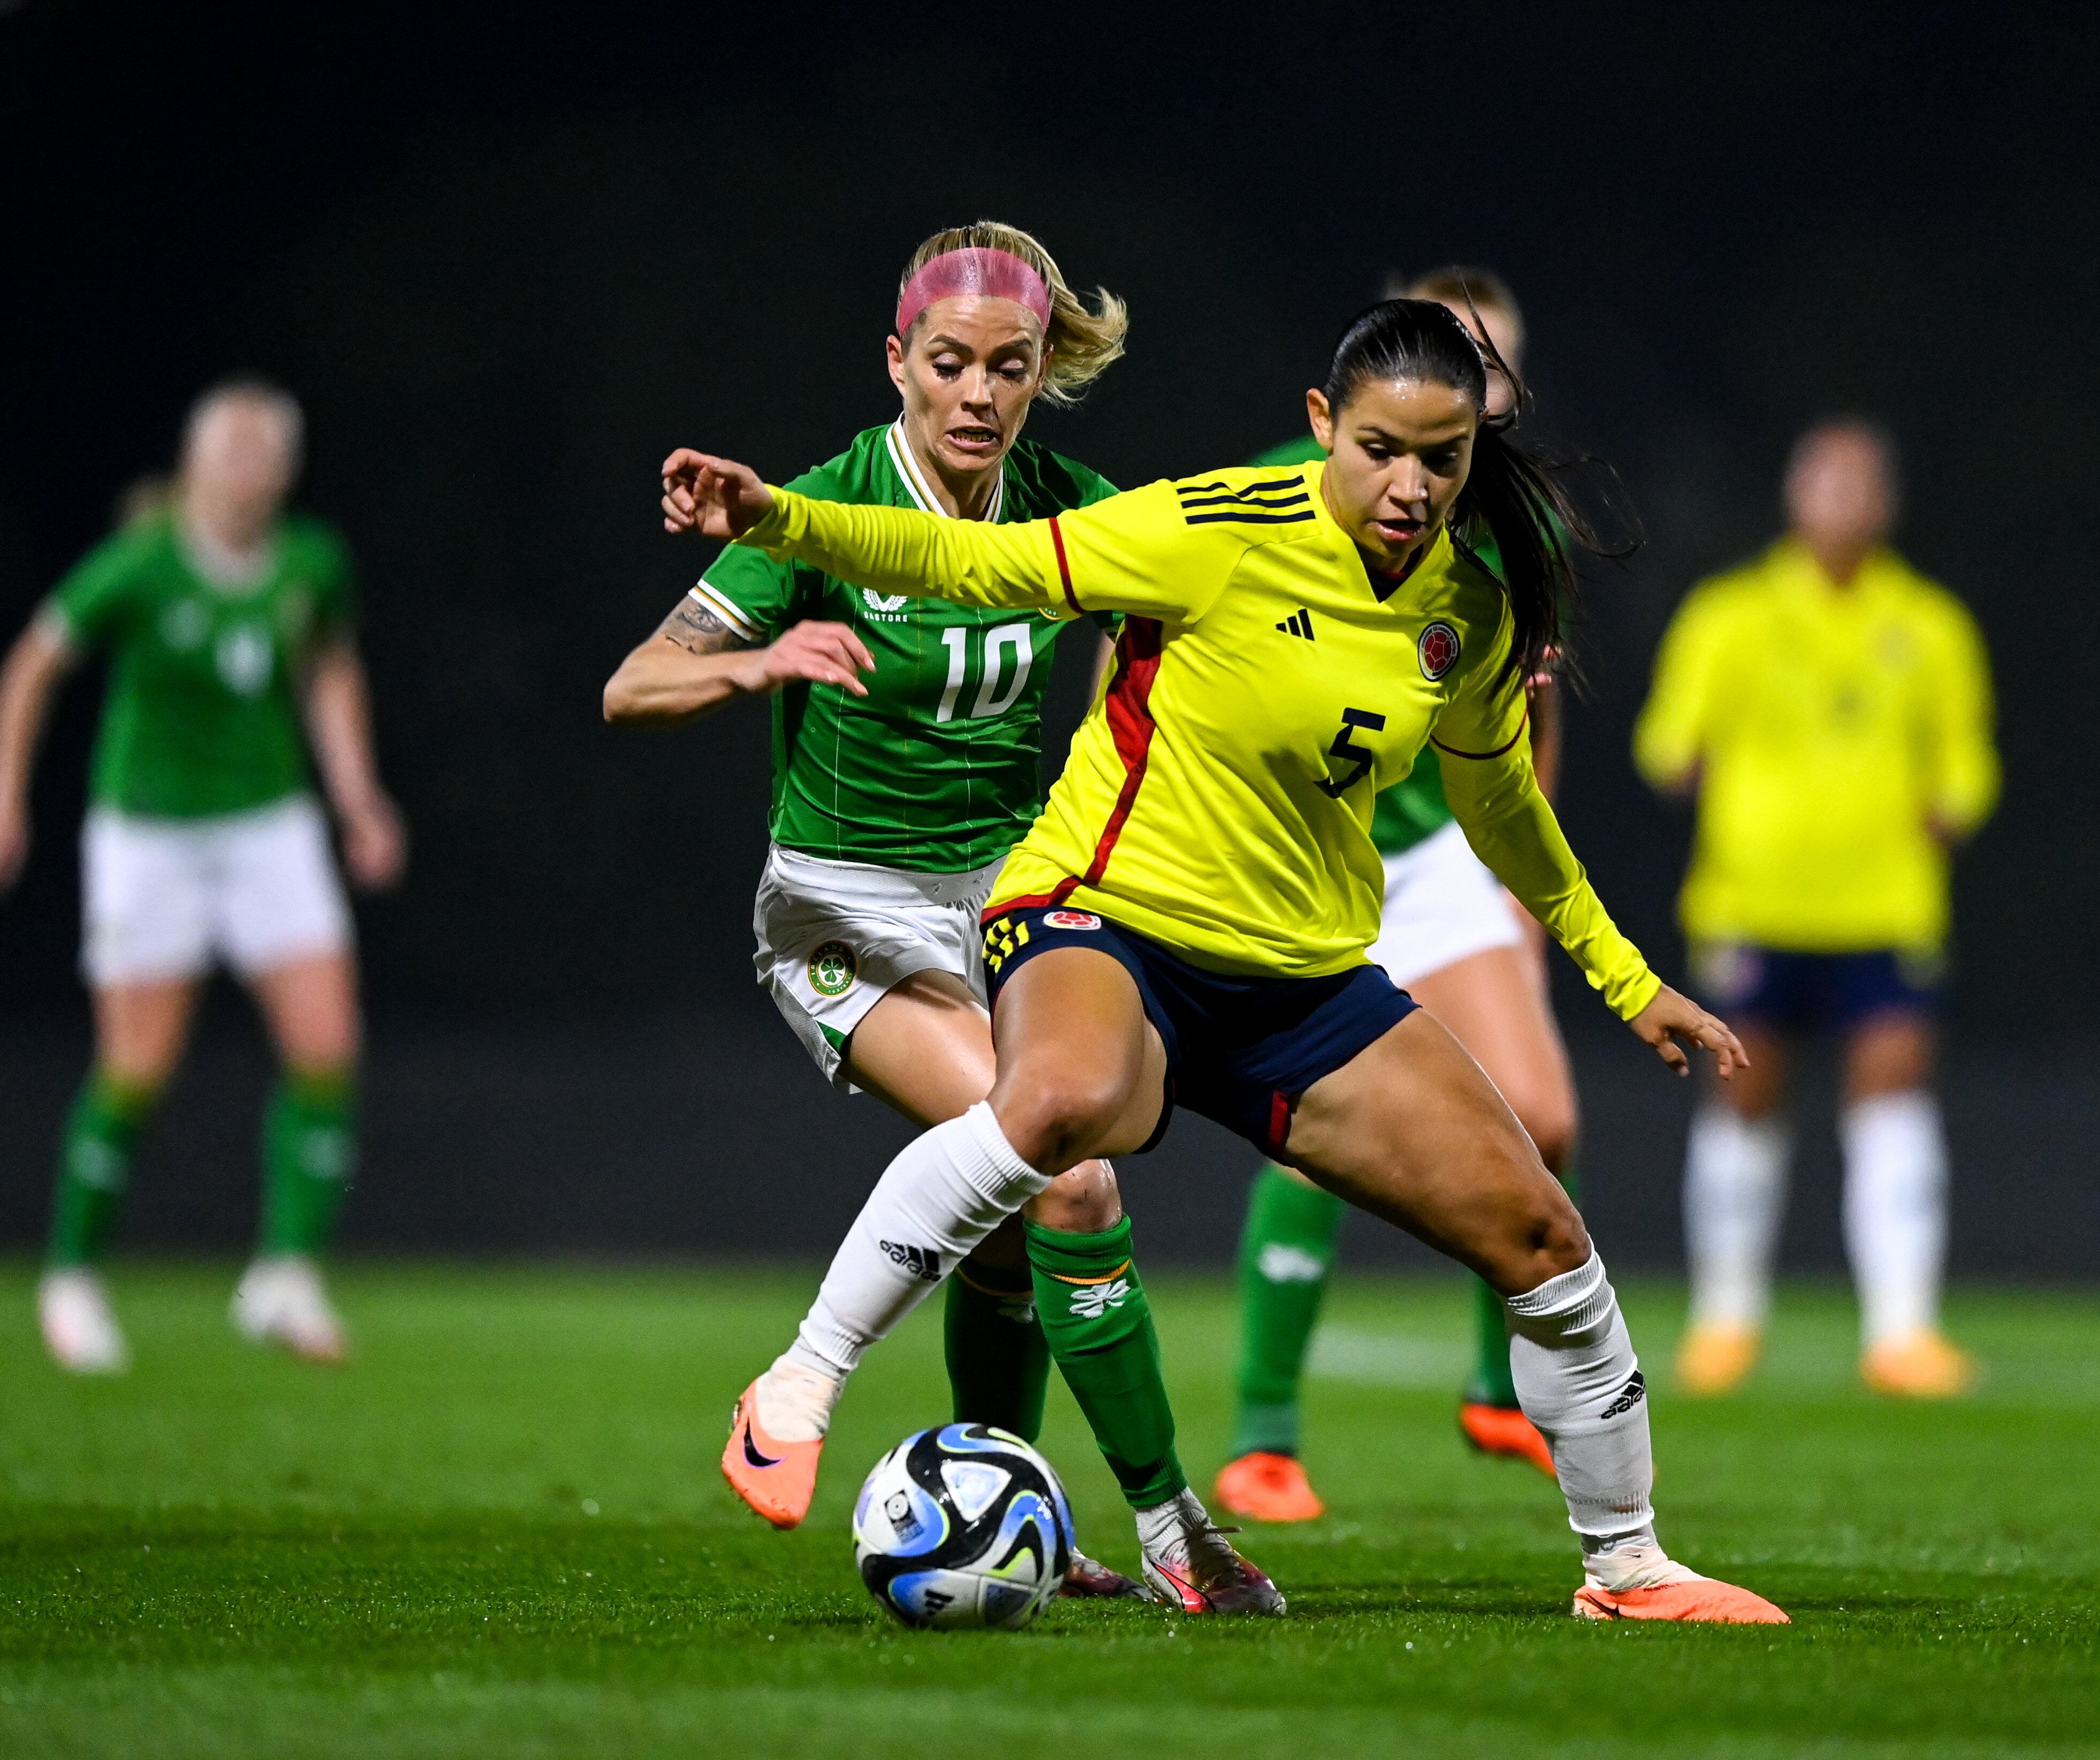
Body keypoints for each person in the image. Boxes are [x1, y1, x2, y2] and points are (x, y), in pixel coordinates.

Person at [662, 297, 1789, 1624]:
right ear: (1322, 426)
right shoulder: (1209, 527)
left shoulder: (1464, 613)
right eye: (1380, 449)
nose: (1410, 485)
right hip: (1102, 919)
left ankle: (1628, 1567)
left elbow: (1503, 813)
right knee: (1059, 1113)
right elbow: (980, 563)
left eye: (1441, 457)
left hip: (1300, 987)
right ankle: (799, 1381)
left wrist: (1627, 980)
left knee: (1540, 1229)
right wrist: (779, 517)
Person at [604, 222, 1179, 1601]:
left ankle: (1006, 1511)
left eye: (1010, 367)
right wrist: (756, 666)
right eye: (949, 365)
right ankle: (1175, 1527)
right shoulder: (827, 503)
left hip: (1005, 898)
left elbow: (1199, 581)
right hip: (842, 911)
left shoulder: (1060, 497)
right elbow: (631, 683)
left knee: (1009, 1214)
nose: (978, 395)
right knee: (1062, 1168)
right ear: (896, 366)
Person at [1217, 266, 1581, 1524]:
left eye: (1493, 373)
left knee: (1539, 1111)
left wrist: (1522, 896)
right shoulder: (1287, 482)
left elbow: (1529, 721)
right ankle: (1262, 1438)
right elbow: (1134, 627)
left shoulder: (1507, 525)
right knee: (1319, 1137)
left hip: (1430, 857)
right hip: (1291, 844)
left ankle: (1498, 1388)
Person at [0, 378, 405, 1373]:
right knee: (136, 1068)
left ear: (285, 472)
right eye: (229, 453)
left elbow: (329, 668)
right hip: (148, 833)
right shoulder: (143, 563)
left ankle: (286, 1275)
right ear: (196, 465)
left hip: (270, 826)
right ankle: (70, 1277)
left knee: (329, 1045)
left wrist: (358, 797)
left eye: (263, 455)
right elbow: (35, 662)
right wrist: (2, 799)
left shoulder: (310, 562)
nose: (246, 472)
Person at [1633, 418, 1999, 1399]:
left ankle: (1902, 1332)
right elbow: (1668, 743)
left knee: (1892, 1099)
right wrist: (1688, 766)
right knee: (1744, 1097)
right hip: (1755, 899)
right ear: (1795, 496)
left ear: (1886, 503)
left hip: (1883, 907)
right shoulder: (1730, 615)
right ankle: (1725, 1320)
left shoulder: (1931, 625)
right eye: (1824, 480)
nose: (1841, 499)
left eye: (1860, 482)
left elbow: (1966, 766)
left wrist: (1951, 807)